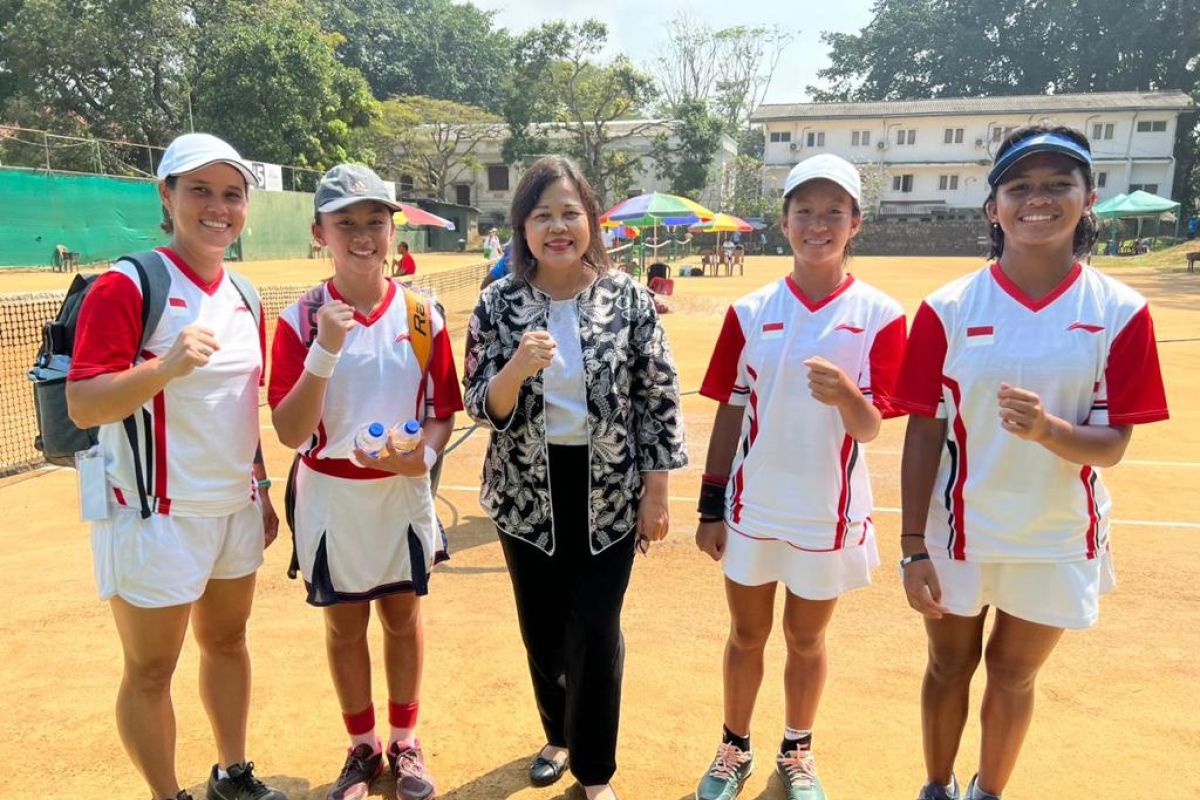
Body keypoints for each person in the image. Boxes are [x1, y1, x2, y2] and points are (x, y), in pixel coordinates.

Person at [893, 126, 1169, 800]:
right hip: (957, 532)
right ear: (994, 208)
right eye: (1020, 187)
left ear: (1088, 199)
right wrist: (911, 547)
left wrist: (1048, 431)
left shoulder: (1120, 312)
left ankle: (989, 793)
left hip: (1055, 535)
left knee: (1014, 676)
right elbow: (924, 432)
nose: (1037, 200)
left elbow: (1114, 445)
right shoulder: (947, 308)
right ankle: (938, 787)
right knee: (947, 666)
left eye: (1057, 186)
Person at [65, 132, 286, 800]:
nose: (217, 208)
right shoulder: (127, 284)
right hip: (151, 513)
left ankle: (232, 773)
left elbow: (242, 406)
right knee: (152, 670)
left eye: (231, 194)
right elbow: (82, 404)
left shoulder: (246, 295)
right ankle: (168, 795)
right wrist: (166, 366)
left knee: (228, 642)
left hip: (233, 507)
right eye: (200, 191)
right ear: (166, 196)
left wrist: (263, 489)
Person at [463, 155, 687, 800]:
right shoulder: (497, 304)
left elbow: (658, 394)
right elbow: (480, 403)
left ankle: (594, 770)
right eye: (542, 216)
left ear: (591, 221)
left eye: (570, 213)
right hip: (525, 490)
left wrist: (657, 489)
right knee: (542, 628)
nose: (558, 227)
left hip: (609, 488)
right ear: (522, 227)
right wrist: (514, 370)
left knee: (595, 628)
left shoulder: (631, 300)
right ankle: (557, 733)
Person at [693, 153, 908, 800]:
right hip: (753, 506)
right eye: (805, 211)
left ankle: (797, 748)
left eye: (833, 212)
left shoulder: (881, 314)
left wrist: (847, 395)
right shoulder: (751, 311)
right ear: (783, 222)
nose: (818, 224)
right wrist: (710, 505)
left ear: (855, 224)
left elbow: (872, 427)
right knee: (746, 635)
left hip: (828, 511)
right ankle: (734, 745)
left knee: (807, 638)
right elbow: (730, 412)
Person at [269, 164, 463, 800]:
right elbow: (292, 432)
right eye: (345, 222)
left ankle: (406, 739)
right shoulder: (299, 320)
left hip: (401, 493)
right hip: (327, 495)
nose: (362, 235)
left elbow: (441, 410)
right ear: (319, 230)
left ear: (390, 229)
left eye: (374, 221)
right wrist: (324, 348)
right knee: (344, 626)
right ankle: (362, 746)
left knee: (403, 620)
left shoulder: (421, 313)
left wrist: (424, 457)